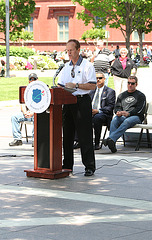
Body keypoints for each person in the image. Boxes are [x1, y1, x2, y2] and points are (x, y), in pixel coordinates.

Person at [57, 39, 96, 176]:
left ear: (78, 50)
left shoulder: (87, 65)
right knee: (67, 135)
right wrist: (59, 88)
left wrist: (77, 86)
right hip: (68, 102)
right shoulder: (65, 66)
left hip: (82, 102)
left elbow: (92, 85)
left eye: (71, 50)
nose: (68, 53)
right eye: (67, 50)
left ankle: (89, 166)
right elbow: (61, 85)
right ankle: (67, 165)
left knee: (84, 135)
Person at [103, 76, 146, 153]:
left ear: (136, 84)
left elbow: (140, 110)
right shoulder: (122, 95)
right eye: (128, 83)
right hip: (123, 116)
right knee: (115, 120)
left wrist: (129, 113)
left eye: (132, 83)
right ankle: (112, 144)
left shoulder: (141, 95)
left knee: (127, 121)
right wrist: (118, 112)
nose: (130, 85)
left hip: (136, 117)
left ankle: (111, 139)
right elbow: (117, 107)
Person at [9, 73, 38, 147]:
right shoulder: (25, 90)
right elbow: (22, 104)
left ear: (37, 80)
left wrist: (32, 112)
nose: (32, 81)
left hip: (36, 113)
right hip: (27, 113)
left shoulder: (40, 89)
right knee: (14, 117)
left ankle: (35, 140)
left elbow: (40, 106)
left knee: (37, 118)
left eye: (34, 79)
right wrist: (25, 113)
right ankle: (17, 139)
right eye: (30, 79)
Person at [89, 71, 116, 150]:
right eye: (96, 78)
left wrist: (98, 111)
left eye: (100, 78)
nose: (98, 80)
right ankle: (78, 141)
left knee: (97, 118)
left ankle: (97, 143)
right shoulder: (91, 91)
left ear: (104, 79)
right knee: (78, 115)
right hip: (90, 112)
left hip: (103, 114)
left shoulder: (110, 92)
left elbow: (110, 107)